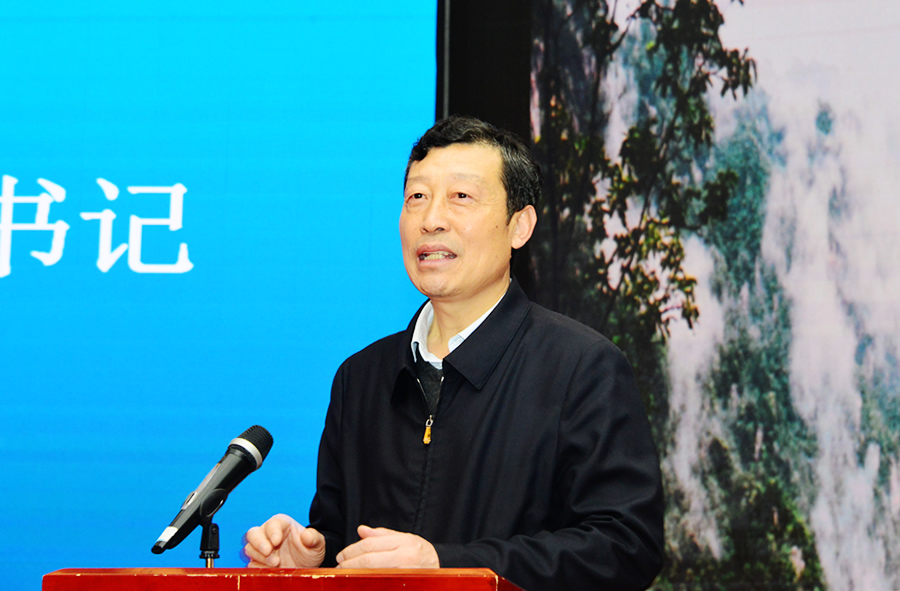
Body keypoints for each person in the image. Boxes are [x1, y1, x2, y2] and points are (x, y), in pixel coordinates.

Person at [243, 116, 664, 590]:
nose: (431, 219)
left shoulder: (581, 368)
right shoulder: (360, 378)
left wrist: (446, 566)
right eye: (416, 198)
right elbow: (349, 543)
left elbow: (626, 546)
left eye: (461, 196)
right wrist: (314, 560)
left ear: (519, 226)